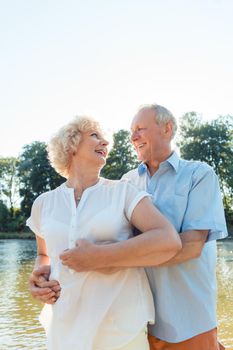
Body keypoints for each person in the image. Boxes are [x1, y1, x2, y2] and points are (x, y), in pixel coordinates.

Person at [30, 104, 228, 350]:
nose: (132, 137)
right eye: (131, 130)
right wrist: (42, 275)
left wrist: (102, 260)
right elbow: (48, 253)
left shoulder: (199, 175)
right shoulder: (126, 181)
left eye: (140, 129)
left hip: (186, 317)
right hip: (135, 317)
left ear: (167, 129)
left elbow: (190, 246)